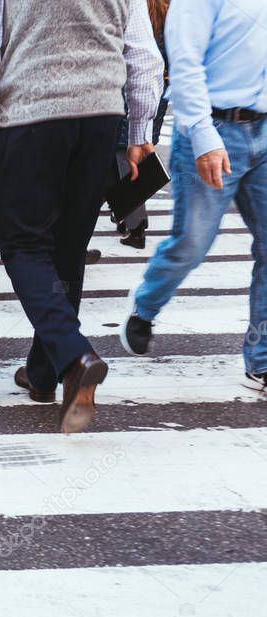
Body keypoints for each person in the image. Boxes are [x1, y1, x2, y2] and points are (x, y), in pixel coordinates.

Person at [0, 0, 163, 434]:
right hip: (100, 118)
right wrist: (141, 132)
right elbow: (143, 54)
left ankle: (73, 355)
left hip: (34, 116)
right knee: (68, 247)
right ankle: (44, 373)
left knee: (21, 242)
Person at [122, 0, 267, 392]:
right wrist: (204, 138)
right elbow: (185, 68)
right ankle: (146, 305)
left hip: (263, 128)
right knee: (192, 243)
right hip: (214, 129)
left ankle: (262, 359)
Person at [111, 0, 170, 251]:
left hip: (130, 92)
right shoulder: (169, 13)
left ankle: (136, 225)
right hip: (157, 92)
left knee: (125, 161)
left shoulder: (135, 12)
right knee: (137, 156)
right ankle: (124, 215)